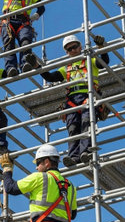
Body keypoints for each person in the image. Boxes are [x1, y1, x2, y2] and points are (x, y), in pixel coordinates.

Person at [39, 35, 109, 167]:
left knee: (86, 123)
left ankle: (86, 152)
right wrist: (37, 66)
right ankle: (74, 156)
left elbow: (103, 62)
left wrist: (101, 47)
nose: (73, 50)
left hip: (87, 95)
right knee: (73, 128)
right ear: (66, 52)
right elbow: (50, 77)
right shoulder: (66, 68)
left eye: (75, 47)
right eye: (69, 49)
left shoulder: (89, 60)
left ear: (80, 46)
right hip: (72, 100)